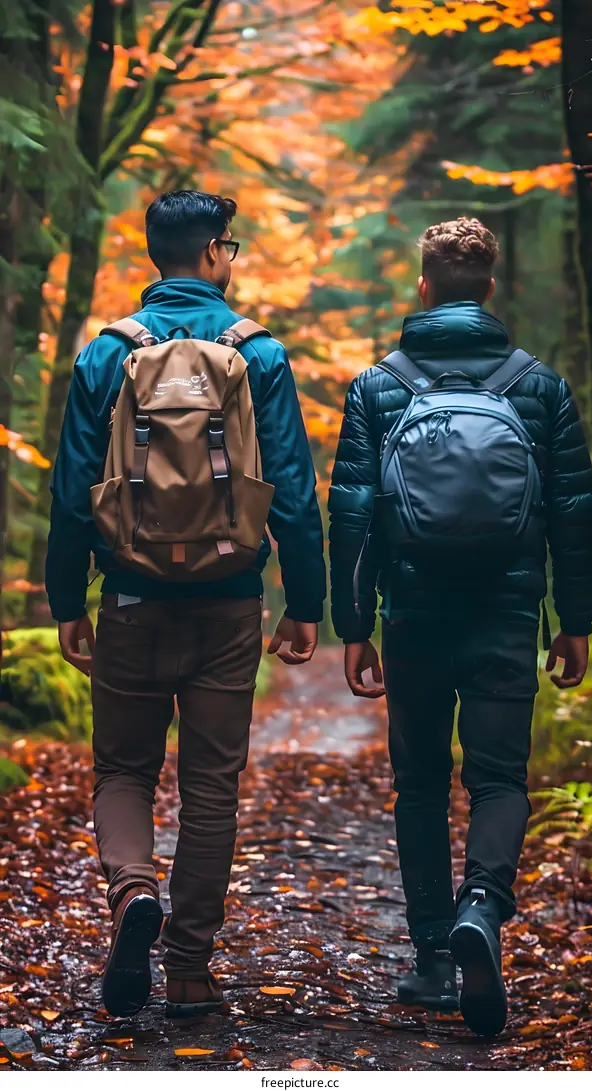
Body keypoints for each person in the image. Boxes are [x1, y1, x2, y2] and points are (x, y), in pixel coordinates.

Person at [46, 190, 326, 1019]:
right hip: (229, 601)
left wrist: (70, 600)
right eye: (229, 246)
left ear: (153, 255)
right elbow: (293, 490)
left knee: (124, 769)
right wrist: (304, 602)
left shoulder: (106, 353)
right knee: (211, 783)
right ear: (212, 254)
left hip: (130, 596)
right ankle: (192, 969)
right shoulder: (260, 354)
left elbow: (70, 494)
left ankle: (133, 890)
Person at [328, 217, 592, 1037]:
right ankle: (483, 903)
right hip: (507, 612)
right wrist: (576, 620)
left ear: (422, 288)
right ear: (489, 290)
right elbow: (576, 514)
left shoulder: (379, 385)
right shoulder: (539, 386)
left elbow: (352, 514)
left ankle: (433, 958)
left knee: (417, 785)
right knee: (499, 780)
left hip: (413, 615)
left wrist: (354, 621)